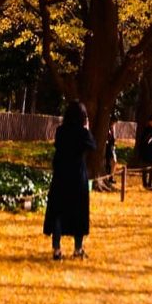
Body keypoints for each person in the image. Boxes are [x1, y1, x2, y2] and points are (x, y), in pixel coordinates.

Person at [43, 101, 96, 260]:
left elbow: (58, 147)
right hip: (77, 176)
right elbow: (93, 146)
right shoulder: (83, 133)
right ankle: (78, 249)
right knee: (78, 212)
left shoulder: (61, 131)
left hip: (60, 175)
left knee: (58, 212)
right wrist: (87, 129)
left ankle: (57, 249)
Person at [140, 115, 152, 189]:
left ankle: (150, 184)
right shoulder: (146, 129)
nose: (151, 123)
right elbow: (142, 139)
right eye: (150, 121)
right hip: (146, 151)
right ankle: (145, 183)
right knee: (145, 169)